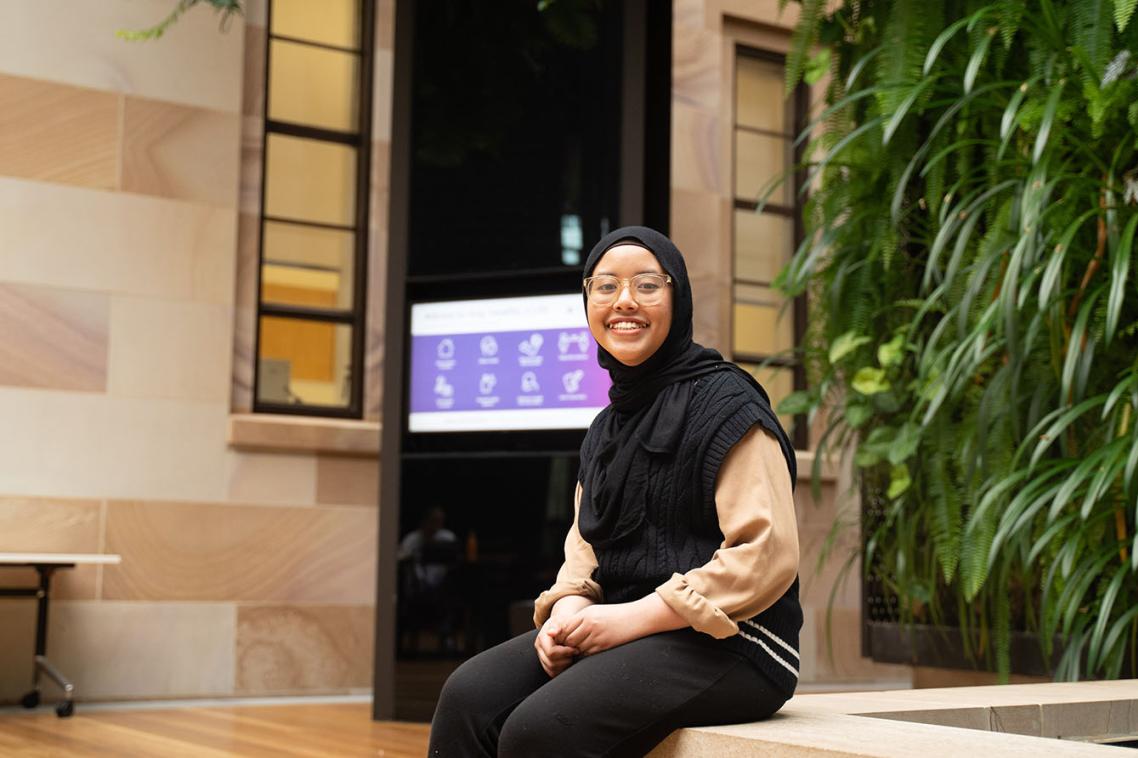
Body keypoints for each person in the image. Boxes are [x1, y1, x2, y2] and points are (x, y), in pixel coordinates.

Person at [428, 227, 801, 757]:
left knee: (541, 730)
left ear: (678, 298)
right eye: (605, 287)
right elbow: (585, 547)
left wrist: (630, 618)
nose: (624, 301)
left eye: (647, 285)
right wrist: (567, 610)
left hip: (734, 643)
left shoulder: (729, 405)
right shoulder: (608, 426)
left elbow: (766, 554)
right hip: (628, 632)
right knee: (469, 697)